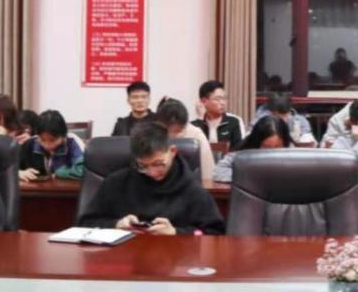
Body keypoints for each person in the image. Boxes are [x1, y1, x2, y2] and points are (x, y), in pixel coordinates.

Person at [78, 122, 225, 235]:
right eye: (143, 166)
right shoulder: (116, 183)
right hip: (125, 259)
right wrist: (116, 224)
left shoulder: (192, 190)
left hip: (173, 260)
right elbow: (84, 224)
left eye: (158, 164)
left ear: (172, 151)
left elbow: (215, 234)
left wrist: (175, 232)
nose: (152, 173)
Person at [213, 115, 292, 183]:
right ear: (256, 143)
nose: (272, 153)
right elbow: (218, 172)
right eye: (266, 147)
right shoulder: (243, 154)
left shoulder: (293, 155)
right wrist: (251, 176)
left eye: (277, 147)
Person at [154, 98, 215, 178]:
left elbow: (208, 172)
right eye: (168, 131)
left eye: (178, 131)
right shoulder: (152, 134)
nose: (174, 136)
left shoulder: (196, 135)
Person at [19, 110, 84, 182]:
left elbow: (82, 171)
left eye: (52, 140)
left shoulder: (72, 142)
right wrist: (19, 173)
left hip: (67, 188)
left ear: (63, 135)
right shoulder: (30, 143)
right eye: (42, 139)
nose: (47, 145)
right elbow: (12, 167)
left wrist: (59, 172)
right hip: (37, 188)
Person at [192, 80, 245, 149]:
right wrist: (200, 119)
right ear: (204, 101)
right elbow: (194, 148)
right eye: (218, 99)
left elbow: (240, 150)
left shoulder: (234, 121)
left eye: (224, 98)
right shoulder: (194, 125)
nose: (223, 103)